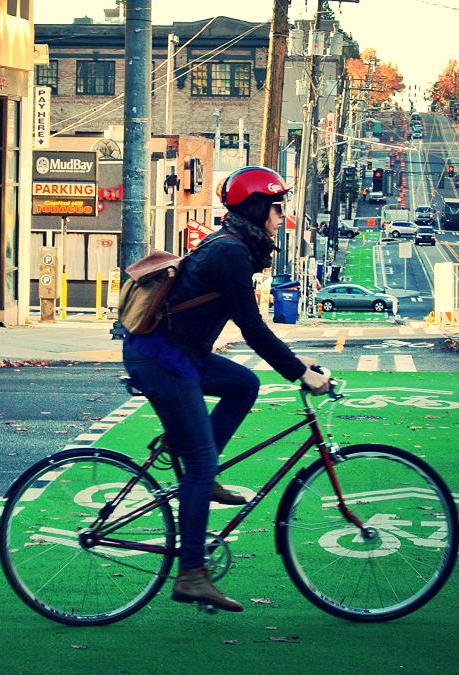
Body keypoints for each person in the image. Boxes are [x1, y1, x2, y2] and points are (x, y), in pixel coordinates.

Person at [122, 166, 330, 613]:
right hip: (162, 358)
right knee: (198, 464)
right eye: (277, 207)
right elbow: (252, 328)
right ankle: (193, 574)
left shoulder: (234, 247)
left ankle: (201, 464)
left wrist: (299, 362)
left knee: (243, 385)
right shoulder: (230, 253)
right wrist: (299, 373)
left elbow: (253, 328)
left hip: (182, 353)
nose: (281, 216)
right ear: (257, 209)